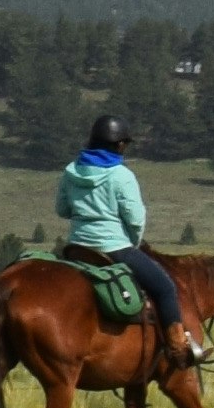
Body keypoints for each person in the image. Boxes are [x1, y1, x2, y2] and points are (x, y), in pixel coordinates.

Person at [54, 114, 183, 362]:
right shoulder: (121, 176)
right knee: (165, 288)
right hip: (114, 249)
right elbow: (135, 219)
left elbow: (62, 210)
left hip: (76, 249)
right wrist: (133, 244)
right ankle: (178, 347)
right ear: (120, 145)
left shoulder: (71, 172)